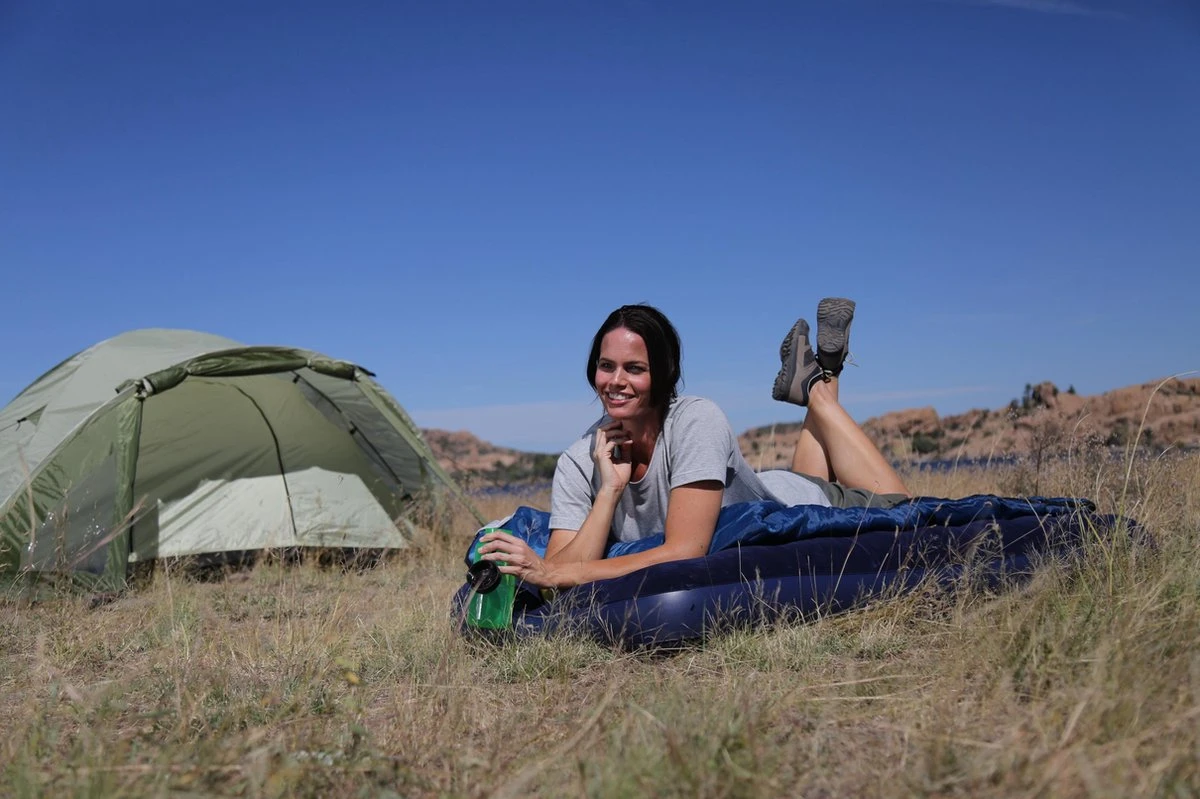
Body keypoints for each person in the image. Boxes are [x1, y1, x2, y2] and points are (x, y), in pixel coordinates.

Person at [477, 299, 910, 588]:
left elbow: (687, 549)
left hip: (804, 502)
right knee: (806, 475)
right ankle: (824, 368)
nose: (615, 381)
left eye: (635, 369)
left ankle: (816, 385)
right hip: (773, 485)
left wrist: (554, 573)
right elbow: (556, 569)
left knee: (901, 504)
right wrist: (609, 491)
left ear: (664, 373)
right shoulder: (578, 460)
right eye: (606, 366)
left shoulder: (696, 420)